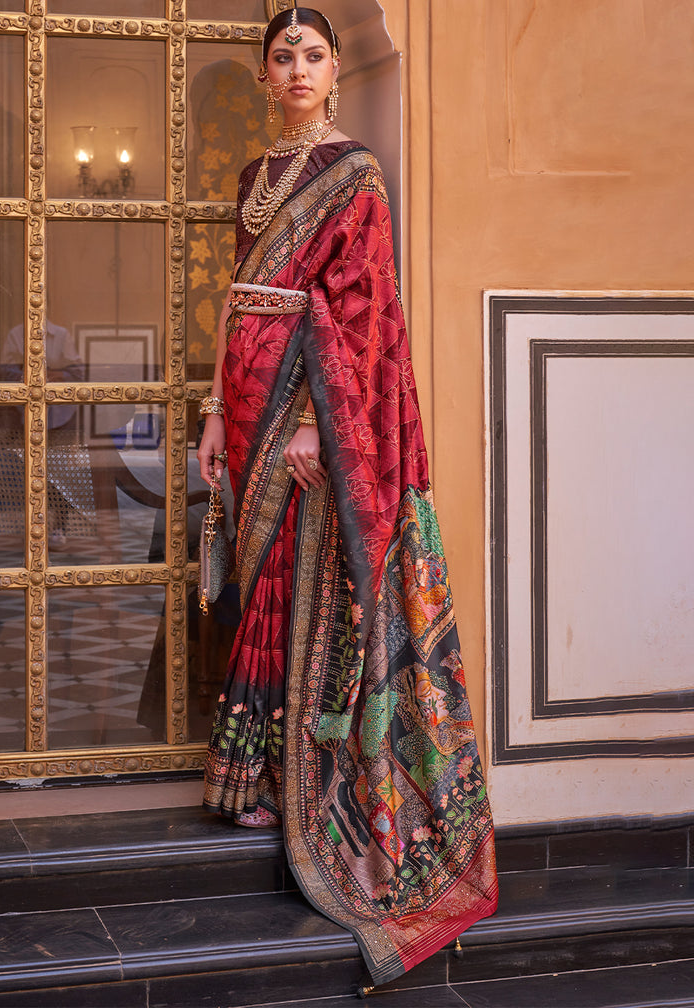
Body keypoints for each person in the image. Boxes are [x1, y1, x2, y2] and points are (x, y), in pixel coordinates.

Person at [197, 5, 498, 987]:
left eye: (313, 55)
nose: (296, 68)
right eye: (281, 55)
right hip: (244, 405)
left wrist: (322, 423)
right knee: (255, 576)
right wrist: (212, 413)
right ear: (263, 72)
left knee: (298, 582)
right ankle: (254, 773)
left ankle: (294, 783)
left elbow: (362, 307)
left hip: (303, 407)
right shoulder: (253, 180)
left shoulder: (354, 173)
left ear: (335, 71)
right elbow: (237, 294)